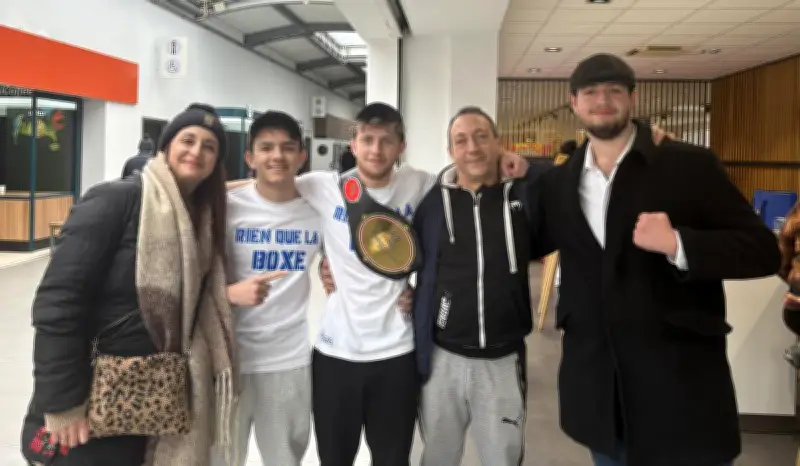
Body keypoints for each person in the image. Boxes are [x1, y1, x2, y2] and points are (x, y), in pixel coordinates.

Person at [530, 53, 781, 466]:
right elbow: (525, 242)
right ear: (573, 102)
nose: (602, 100)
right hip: (600, 388)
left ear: (633, 98)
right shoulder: (559, 182)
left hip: (678, 386)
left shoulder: (687, 165)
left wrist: (679, 244)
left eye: (614, 90)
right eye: (590, 92)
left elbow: (762, 251)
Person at [300, 102, 529, 465]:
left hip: (397, 354)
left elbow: (468, 179)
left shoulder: (422, 186)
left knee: (393, 459)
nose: (376, 149)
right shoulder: (322, 187)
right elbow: (263, 187)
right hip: (335, 354)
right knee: (334, 458)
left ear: (401, 146)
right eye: (368, 140)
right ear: (353, 144)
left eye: (386, 141)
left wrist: (511, 159)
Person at [21, 103, 237, 466]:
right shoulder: (117, 200)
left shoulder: (200, 221)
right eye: (188, 140)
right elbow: (58, 303)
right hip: (92, 394)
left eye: (209, 146)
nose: (196, 151)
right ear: (167, 146)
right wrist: (62, 403)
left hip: (154, 398)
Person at [409, 106, 550, 466]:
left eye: (481, 136)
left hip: (502, 361)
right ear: (450, 150)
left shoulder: (523, 195)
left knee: (502, 458)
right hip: (443, 359)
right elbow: (398, 251)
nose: (472, 147)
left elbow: (569, 183)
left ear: (499, 143)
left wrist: (530, 168)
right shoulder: (431, 203)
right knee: (438, 457)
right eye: (461, 140)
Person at [217, 111, 321, 466]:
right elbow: (190, 278)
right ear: (250, 158)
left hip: (288, 361)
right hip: (229, 360)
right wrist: (229, 292)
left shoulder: (316, 210)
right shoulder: (226, 208)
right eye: (266, 148)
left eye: (288, 148)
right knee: (222, 458)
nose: (277, 156)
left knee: (285, 458)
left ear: (302, 156)